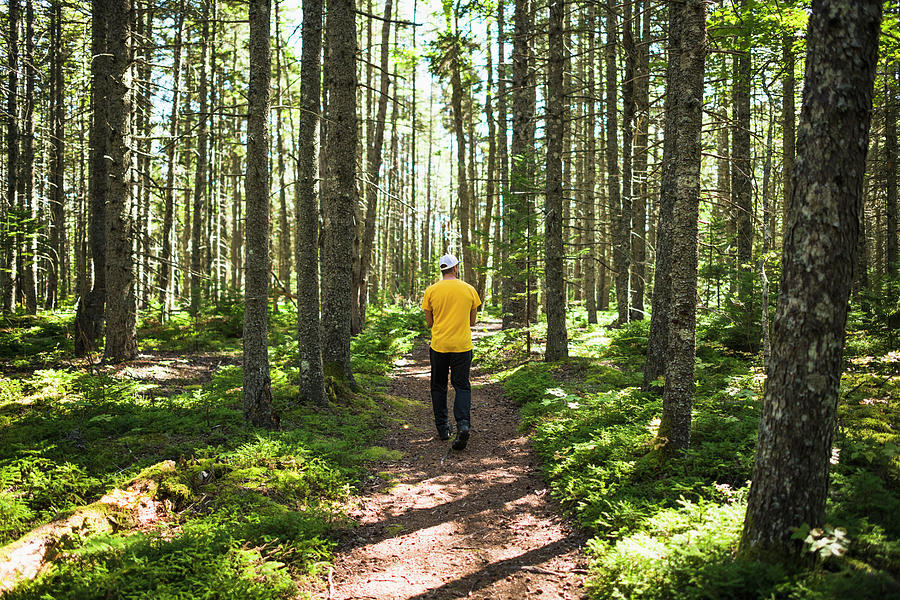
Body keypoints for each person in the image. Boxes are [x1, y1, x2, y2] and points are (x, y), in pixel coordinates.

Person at [421, 254, 481, 450]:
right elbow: (472, 322)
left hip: (439, 346)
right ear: (455, 268)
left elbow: (429, 323)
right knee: (462, 386)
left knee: (438, 387)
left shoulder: (431, 291)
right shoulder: (469, 290)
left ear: (442, 270)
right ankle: (463, 424)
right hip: (462, 346)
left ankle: (442, 428)